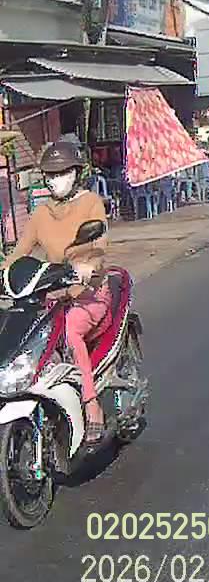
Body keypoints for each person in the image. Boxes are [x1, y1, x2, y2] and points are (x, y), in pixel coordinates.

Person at [6, 139, 110, 444]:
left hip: (90, 293)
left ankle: (91, 404)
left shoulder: (91, 202)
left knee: (70, 331)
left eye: (63, 172)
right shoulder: (41, 214)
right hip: (55, 296)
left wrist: (89, 267)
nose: (56, 179)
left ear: (76, 173)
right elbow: (19, 253)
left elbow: (99, 246)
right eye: (51, 174)